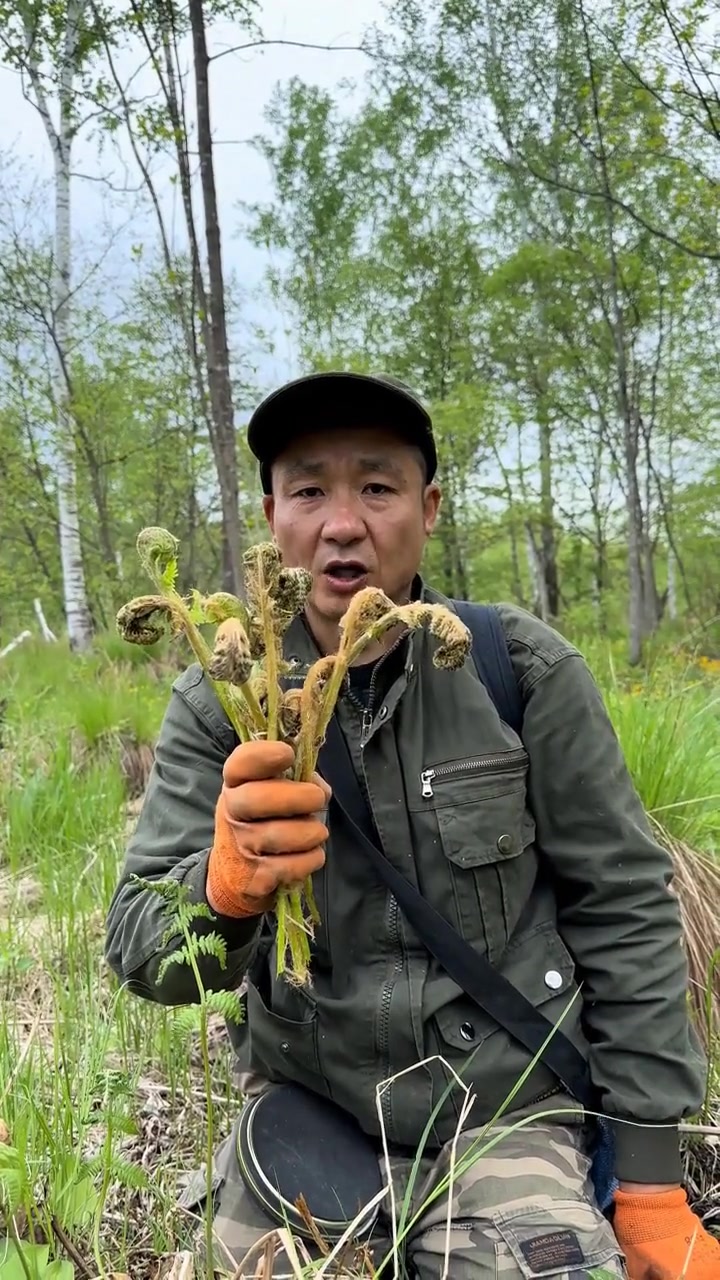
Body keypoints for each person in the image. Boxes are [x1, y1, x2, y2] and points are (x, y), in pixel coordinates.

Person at [105, 372, 718, 1280]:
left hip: (504, 1110)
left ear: (428, 509)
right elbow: (140, 945)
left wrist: (652, 1184)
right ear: (272, 516)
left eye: (378, 487)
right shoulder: (218, 702)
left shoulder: (519, 671)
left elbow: (625, 907)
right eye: (309, 489)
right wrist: (223, 890)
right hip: (308, 1114)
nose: (342, 523)